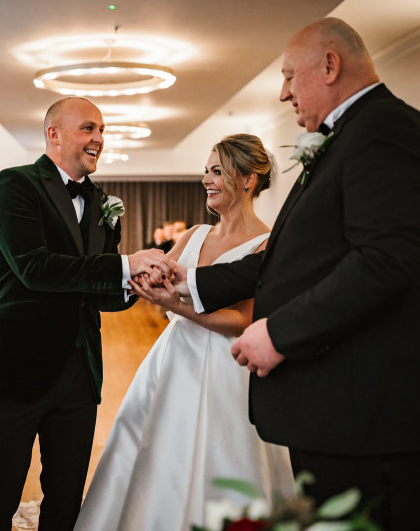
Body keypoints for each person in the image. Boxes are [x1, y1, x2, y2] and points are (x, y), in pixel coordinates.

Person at [171, 18, 420, 529]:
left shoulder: (388, 129)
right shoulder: (348, 137)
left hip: (380, 409)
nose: (284, 92)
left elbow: (388, 260)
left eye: (289, 75)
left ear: (330, 65)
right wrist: (189, 282)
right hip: (344, 407)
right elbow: (284, 261)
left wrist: (279, 332)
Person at [0, 96, 172, 530]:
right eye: (88, 128)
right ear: (53, 134)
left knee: (66, 499)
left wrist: (137, 287)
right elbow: (34, 268)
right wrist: (123, 266)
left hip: (79, 370)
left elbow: (99, 291)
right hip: (17, 366)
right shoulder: (15, 185)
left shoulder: (102, 204)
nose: (98, 138)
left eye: (101, 130)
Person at [75, 135, 293, 531]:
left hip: (230, 366)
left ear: (248, 179)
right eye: (205, 172)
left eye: (217, 172)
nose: (207, 180)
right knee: (155, 448)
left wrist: (174, 304)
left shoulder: (267, 246)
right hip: (174, 358)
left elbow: (242, 320)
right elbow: (150, 276)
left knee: (223, 454)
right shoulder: (193, 234)